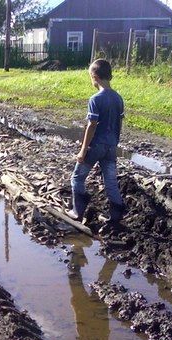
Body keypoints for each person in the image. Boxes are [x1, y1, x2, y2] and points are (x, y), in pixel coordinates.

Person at [65, 59, 124, 226]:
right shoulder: (118, 98)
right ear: (110, 76)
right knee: (111, 182)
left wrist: (83, 150)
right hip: (111, 146)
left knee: (77, 177)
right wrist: (115, 142)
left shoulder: (95, 99)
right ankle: (116, 215)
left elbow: (92, 125)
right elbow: (119, 123)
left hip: (96, 146)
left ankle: (78, 210)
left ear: (94, 77)